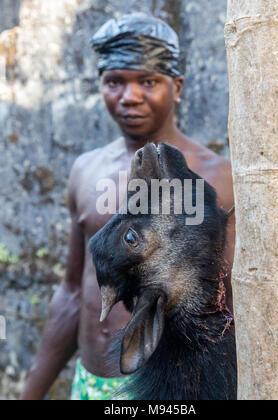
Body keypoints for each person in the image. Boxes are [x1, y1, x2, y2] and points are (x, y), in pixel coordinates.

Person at [21, 13, 235, 400]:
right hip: (91, 386)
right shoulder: (86, 170)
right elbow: (73, 291)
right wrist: (30, 392)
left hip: (178, 389)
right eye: (115, 81)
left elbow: (234, 299)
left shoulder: (218, 180)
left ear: (178, 87)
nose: (130, 96)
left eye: (148, 81)